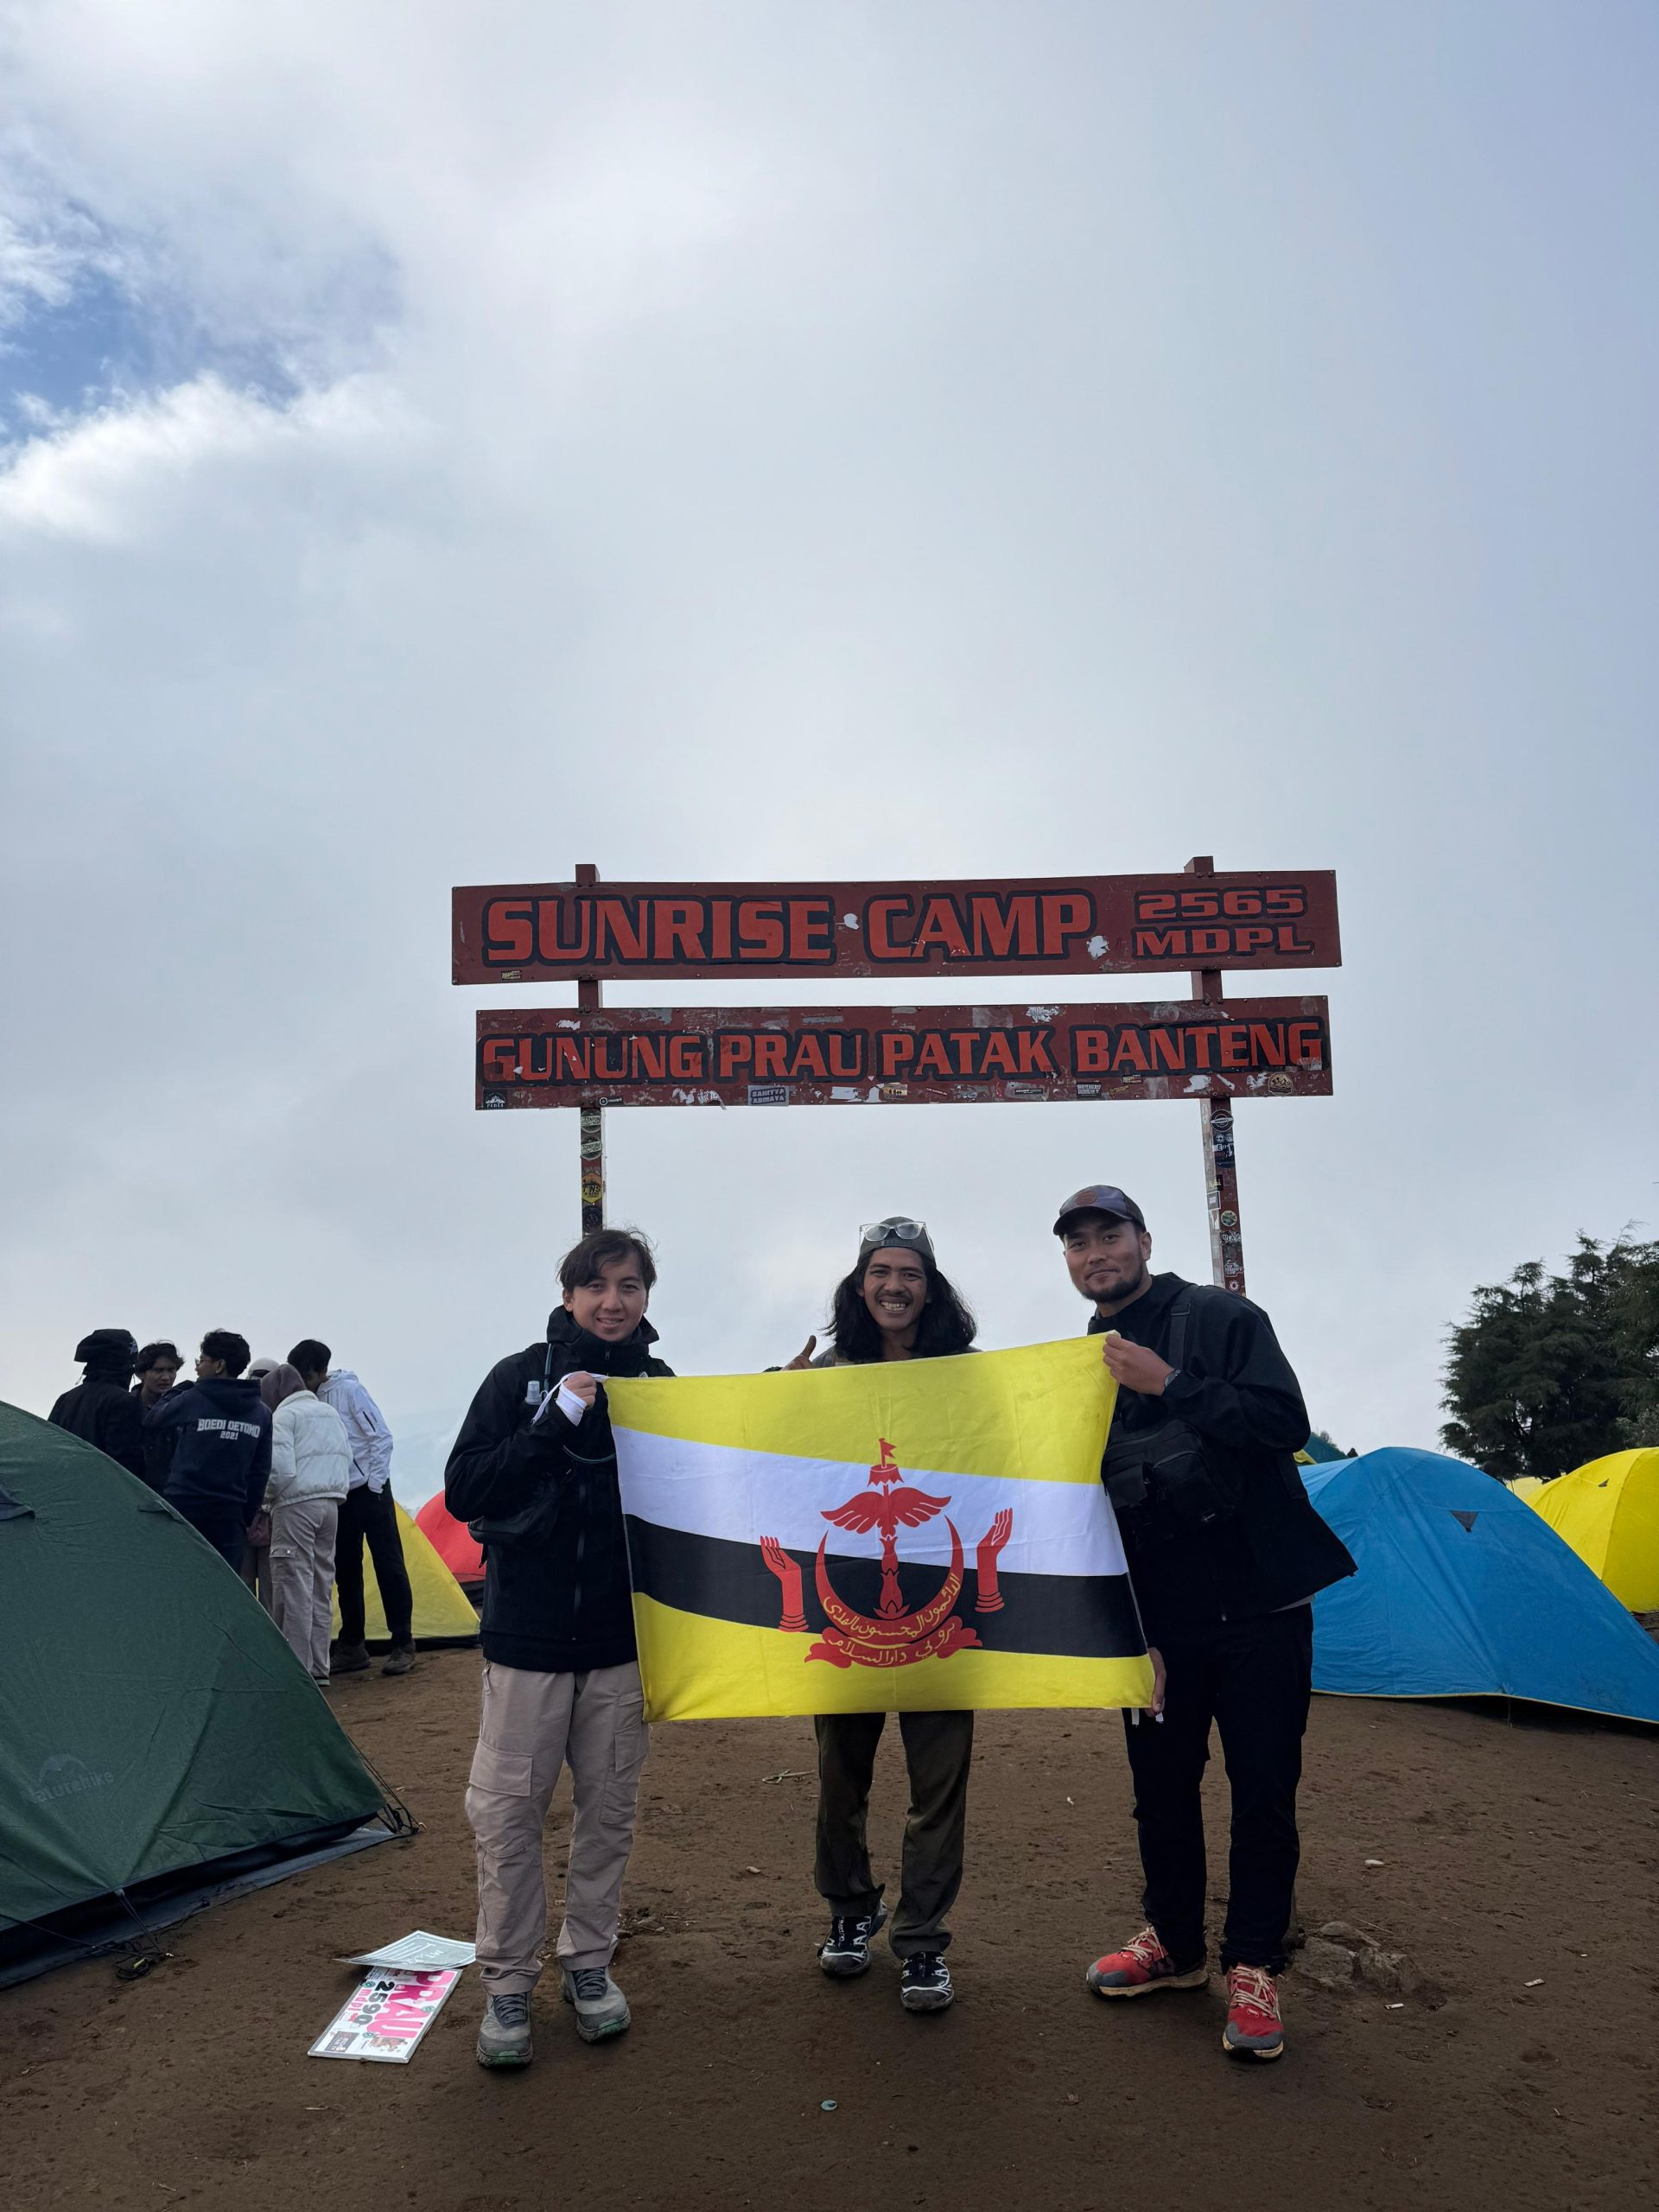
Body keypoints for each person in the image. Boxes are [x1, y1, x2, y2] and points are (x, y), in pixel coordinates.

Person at [1052, 1184, 1355, 2063]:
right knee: (1162, 1790)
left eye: (1109, 1234)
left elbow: (1282, 1423)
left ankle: (1254, 1965)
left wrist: (1173, 1384)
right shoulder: (1081, 1361)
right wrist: (1125, 1628)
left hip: (1263, 1610)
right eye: (1077, 1243)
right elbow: (1090, 1500)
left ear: (1143, 1239)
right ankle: (1175, 1944)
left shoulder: (1221, 1317)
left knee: (1263, 1793)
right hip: (1160, 1628)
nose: (1095, 1252)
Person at [445, 1228, 671, 2071]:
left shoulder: (660, 1386)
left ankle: (588, 1963)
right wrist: (546, 1425)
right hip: (528, 1642)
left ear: (648, 1295)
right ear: (569, 1294)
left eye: (631, 1285)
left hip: (620, 1643)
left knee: (607, 1813)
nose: (614, 1300)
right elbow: (467, 1486)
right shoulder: (516, 1379)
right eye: (598, 1285)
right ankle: (507, 1982)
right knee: (508, 1816)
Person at [783, 1217, 979, 2017]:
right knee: (840, 1777)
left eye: (910, 1273)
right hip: (848, 1616)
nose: (894, 1285)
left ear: (930, 1289)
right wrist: (776, 1398)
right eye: (880, 1272)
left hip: (944, 1610)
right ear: (859, 1287)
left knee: (940, 1785)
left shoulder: (968, 1378)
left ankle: (923, 1939)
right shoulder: (829, 1372)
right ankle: (850, 1906)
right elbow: (780, 1465)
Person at [287, 1340, 415, 1680]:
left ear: (319, 1372)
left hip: (370, 1491)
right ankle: (353, 1645)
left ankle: (402, 1642)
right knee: (344, 1569)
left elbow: (380, 1437)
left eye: (306, 1376)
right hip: (339, 1494)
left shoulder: (350, 1392)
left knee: (389, 1564)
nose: (303, 1383)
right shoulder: (309, 1400)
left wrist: (374, 1486)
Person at [143, 1330, 273, 1569]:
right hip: (230, 1514)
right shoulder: (261, 1412)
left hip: (185, 1507)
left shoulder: (193, 1398)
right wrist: (244, 1515)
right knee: (224, 1588)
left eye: (202, 1360)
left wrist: (176, 1390)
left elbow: (154, 1420)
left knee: (179, 1579)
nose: (197, 1368)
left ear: (219, 1365)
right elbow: (260, 1470)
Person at [258, 1362, 351, 1682]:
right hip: (331, 1505)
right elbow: (347, 1458)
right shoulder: (329, 1413)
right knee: (321, 1586)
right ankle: (319, 1667)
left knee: (293, 1585)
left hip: (296, 1505)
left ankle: (297, 1672)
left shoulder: (283, 1417)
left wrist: (266, 1501)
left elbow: (280, 1470)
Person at [48, 1330, 145, 1479]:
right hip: (103, 1490)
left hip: (63, 1486)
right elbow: (125, 1463)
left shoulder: (66, 1398)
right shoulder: (123, 1402)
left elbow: (50, 1447)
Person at [131, 1342, 186, 1491]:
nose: (166, 1377)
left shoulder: (181, 1409)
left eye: (171, 1370)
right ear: (142, 1373)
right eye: (158, 1370)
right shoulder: (128, 1407)